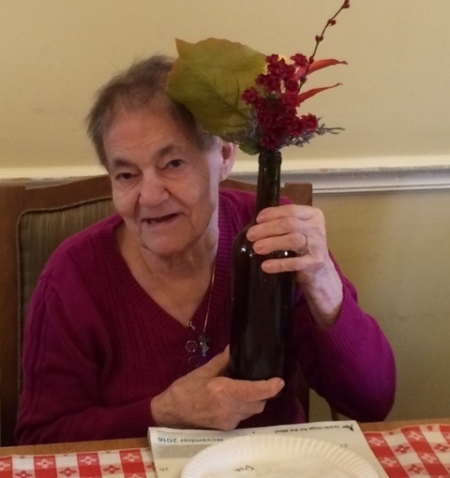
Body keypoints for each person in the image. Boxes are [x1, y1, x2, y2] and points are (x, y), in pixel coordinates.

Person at [16, 55, 396, 444]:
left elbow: (371, 403)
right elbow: (40, 439)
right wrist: (162, 413)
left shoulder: (274, 239)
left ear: (225, 157)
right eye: (127, 174)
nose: (150, 196)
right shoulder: (74, 274)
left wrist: (323, 282)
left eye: (173, 164)